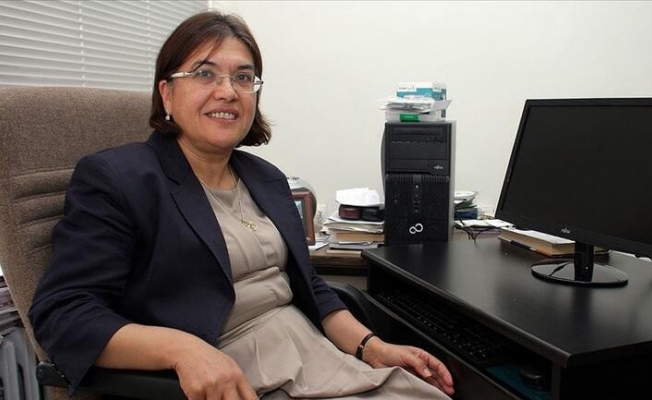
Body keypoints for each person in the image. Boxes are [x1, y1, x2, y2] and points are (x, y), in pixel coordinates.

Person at [28, 10, 455, 400]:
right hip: (233, 381)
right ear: (167, 94)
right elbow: (63, 314)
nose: (228, 92)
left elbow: (310, 286)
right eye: (205, 74)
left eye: (243, 78)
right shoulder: (120, 179)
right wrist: (182, 350)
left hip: (315, 354)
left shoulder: (265, 177)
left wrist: (373, 347)